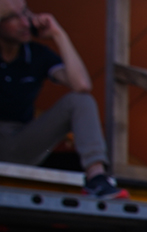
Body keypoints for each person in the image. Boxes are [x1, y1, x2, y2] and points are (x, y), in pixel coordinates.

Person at [0, 0, 127, 199]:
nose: (25, 23)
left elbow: (82, 84)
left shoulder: (36, 54)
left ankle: (97, 179)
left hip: (18, 141)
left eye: (26, 14)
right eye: (12, 18)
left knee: (80, 100)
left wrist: (59, 34)